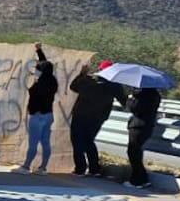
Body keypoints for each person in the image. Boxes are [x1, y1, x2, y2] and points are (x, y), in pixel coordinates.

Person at [68, 60, 125, 176]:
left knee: (77, 141)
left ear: (100, 69)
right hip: (98, 118)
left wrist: (82, 74)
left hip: (80, 115)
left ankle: (80, 168)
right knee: (89, 141)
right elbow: (124, 101)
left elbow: (73, 87)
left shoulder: (88, 80)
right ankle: (94, 168)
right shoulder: (114, 85)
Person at [12, 43, 58, 175]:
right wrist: (39, 51)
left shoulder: (39, 84)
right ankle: (43, 168)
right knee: (45, 142)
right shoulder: (52, 81)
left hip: (37, 116)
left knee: (33, 142)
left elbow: (35, 94)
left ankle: (26, 167)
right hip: (48, 115)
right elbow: (44, 63)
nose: (36, 71)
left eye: (38, 69)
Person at [124, 86, 161, 190]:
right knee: (136, 152)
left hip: (138, 125)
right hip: (148, 126)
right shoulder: (155, 95)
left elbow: (133, 108)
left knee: (133, 152)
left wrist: (130, 99)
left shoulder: (142, 95)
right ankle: (143, 178)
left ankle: (137, 181)